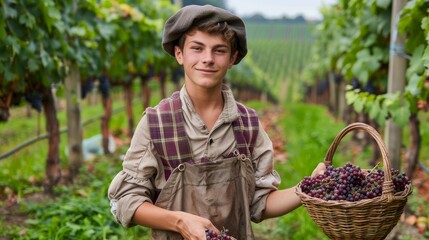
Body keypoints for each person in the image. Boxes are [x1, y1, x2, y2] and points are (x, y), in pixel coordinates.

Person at [108, 4, 325, 240]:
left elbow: (260, 202)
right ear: (179, 54)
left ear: (232, 58)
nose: (208, 59)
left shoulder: (248, 124)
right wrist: (180, 222)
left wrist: (307, 187)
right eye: (197, 48)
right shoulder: (157, 123)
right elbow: (126, 200)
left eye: (219, 50)